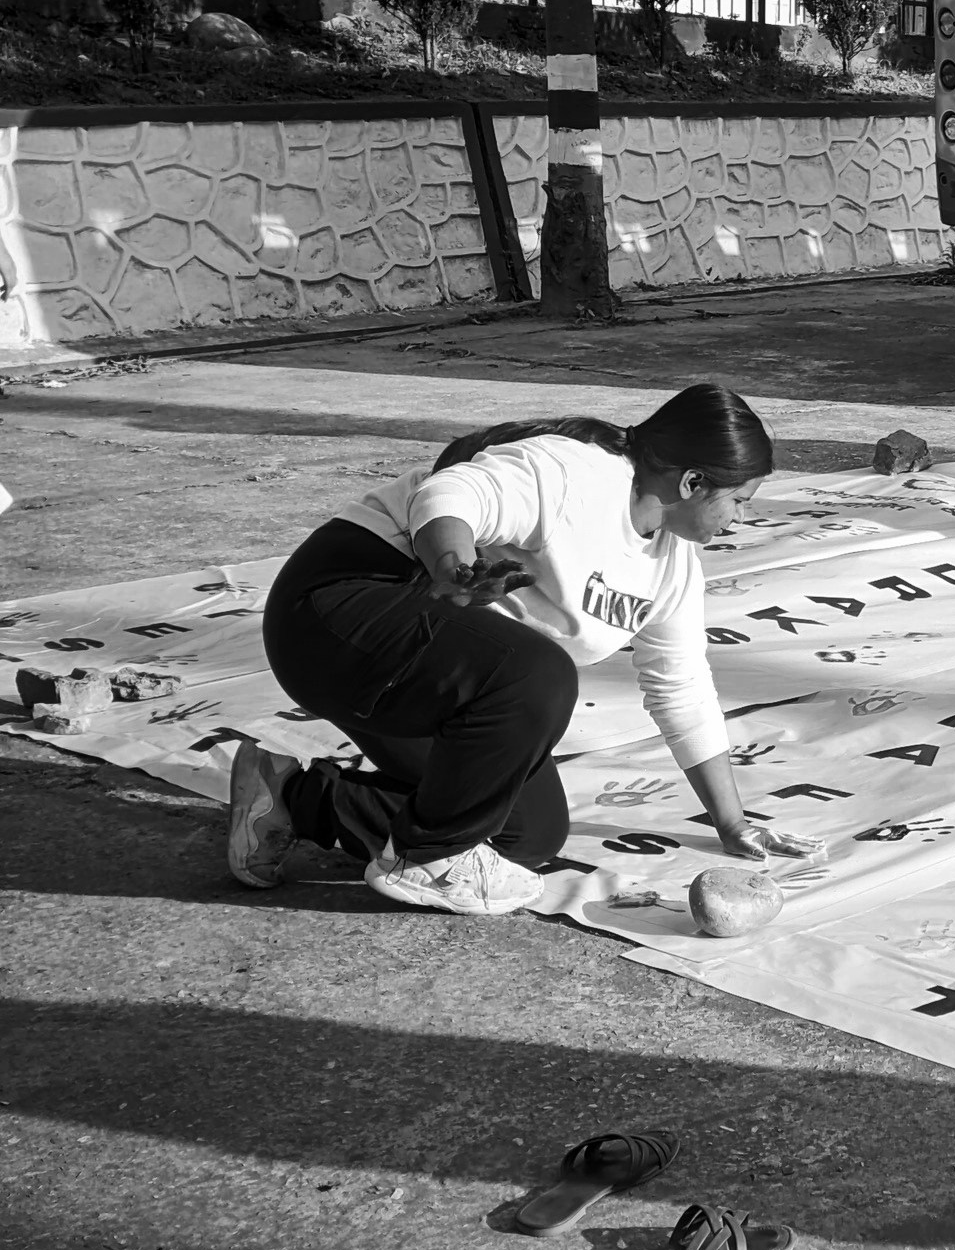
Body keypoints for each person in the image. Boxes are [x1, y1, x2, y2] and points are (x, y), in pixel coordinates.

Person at [225, 384, 805, 917]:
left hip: (413, 676)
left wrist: (732, 822)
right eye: (739, 501)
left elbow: (681, 687)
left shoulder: (673, 568)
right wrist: (453, 568)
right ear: (692, 483)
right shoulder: (576, 473)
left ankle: (289, 798)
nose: (741, 520)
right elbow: (450, 492)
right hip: (334, 614)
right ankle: (424, 857)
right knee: (536, 672)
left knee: (525, 836)